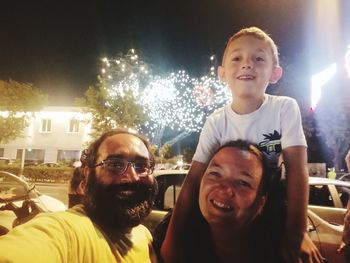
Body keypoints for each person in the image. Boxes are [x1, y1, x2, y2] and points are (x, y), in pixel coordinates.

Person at [161, 26, 322, 263]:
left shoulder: (284, 107)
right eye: (237, 58)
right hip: (226, 210)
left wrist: (297, 232)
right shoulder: (216, 121)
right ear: (222, 73)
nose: (247, 64)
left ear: (275, 73)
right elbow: (193, 179)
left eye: (258, 58)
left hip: (272, 205)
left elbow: (297, 170)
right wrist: (172, 238)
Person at [0, 129, 158, 263]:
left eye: (142, 166)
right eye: (115, 164)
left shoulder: (143, 234)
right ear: (88, 174)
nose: (133, 177)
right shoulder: (63, 232)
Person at [154, 140, 285, 262]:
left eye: (243, 182)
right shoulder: (171, 235)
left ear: (261, 203)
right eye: (215, 174)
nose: (225, 189)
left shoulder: (283, 252)